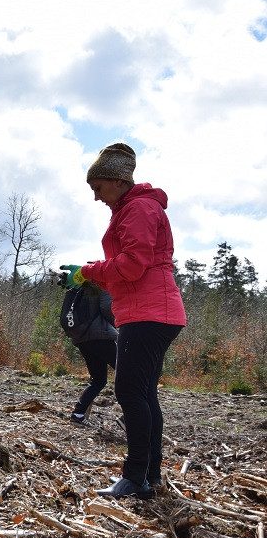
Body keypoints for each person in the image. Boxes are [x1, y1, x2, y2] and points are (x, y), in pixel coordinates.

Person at [62, 142, 186, 500]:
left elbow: (133, 264)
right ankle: (150, 475)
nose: (96, 197)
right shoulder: (130, 209)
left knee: (130, 391)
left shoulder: (139, 209)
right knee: (143, 393)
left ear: (116, 180)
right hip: (147, 310)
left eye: (97, 188)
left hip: (150, 313)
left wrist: (86, 271)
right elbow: (128, 271)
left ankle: (135, 478)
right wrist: (85, 277)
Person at [61, 281, 118, 425]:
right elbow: (106, 307)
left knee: (98, 379)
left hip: (82, 339)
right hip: (101, 336)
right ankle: (131, 417)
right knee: (129, 371)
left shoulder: (77, 288)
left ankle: (78, 414)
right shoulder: (102, 284)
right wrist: (120, 324)